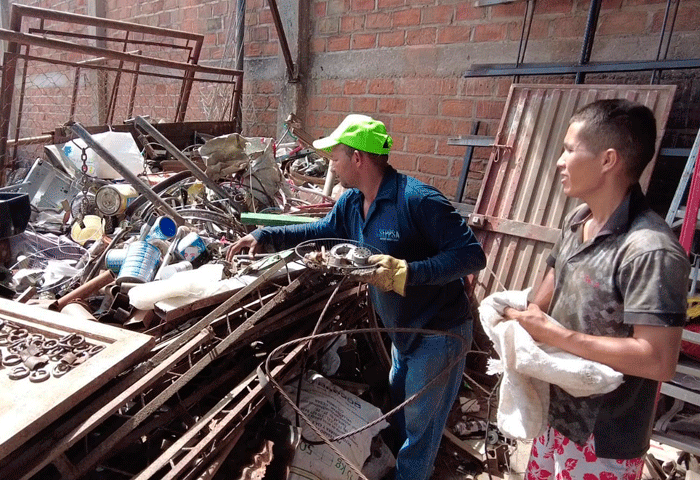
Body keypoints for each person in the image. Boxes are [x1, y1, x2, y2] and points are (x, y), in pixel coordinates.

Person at [227, 114, 486, 480]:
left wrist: (408, 272)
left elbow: (471, 256)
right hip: (402, 334)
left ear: (359, 158)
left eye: (336, 157)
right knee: (400, 413)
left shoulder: (417, 201)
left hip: (438, 334)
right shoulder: (352, 202)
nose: (331, 164)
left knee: (420, 432)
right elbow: (323, 231)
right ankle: (393, 468)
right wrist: (265, 236)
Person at [504, 99, 690, 480]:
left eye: (570, 149)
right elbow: (545, 299)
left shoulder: (650, 250)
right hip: (552, 417)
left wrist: (558, 335)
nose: (559, 160)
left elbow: (658, 360)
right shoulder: (579, 221)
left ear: (608, 160)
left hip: (603, 441)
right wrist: (510, 317)